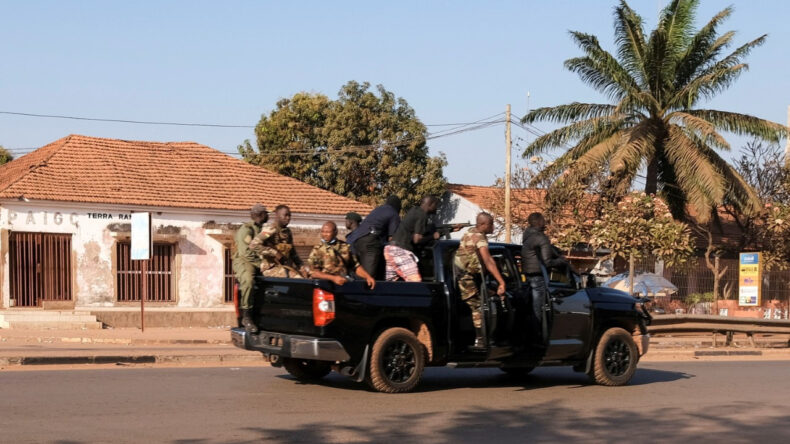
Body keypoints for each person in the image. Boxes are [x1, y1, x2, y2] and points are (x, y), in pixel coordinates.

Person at [454, 212, 507, 348]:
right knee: (477, 307)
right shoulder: (479, 238)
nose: (493, 227)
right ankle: (480, 339)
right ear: (483, 225)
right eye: (491, 224)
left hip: (466, 276)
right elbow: (488, 261)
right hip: (466, 277)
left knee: (486, 297)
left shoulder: (470, 232)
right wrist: (502, 282)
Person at [521, 212, 568, 344]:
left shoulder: (527, 236)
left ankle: (530, 337)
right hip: (538, 278)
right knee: (538, 309)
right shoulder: (541, 238)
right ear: (539, 222)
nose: (545, 222)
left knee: (530, 308)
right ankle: (537, 338)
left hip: (527, 277)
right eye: (543, 220)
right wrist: (562, 261)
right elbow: (547, 262)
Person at [384, 195, 441, 282]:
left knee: (391, 284)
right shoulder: (422, 215)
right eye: (436, 205)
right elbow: (416, 240)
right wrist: (433, 236)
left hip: (390, 249)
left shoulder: (414, 210)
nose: (437, 208)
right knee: (415, 282)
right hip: (400, 251)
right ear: (431, 205)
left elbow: (412, 231)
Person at [345, 195, 401, 279]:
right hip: (370, 243)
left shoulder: (378, 209)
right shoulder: (394, 213)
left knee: (362, 271)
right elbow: (392, 239)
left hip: (358, 241)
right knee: (369, 277)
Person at [307, 221, 376, 289]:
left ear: (335, 232)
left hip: (344, 285)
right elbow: (313, 273)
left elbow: (355, 266)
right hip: (326, 286)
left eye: (327, 232)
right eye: (323, 232)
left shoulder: (344, 247)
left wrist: (367, 277)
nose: (324, 234)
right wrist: (333, 278)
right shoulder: (317, 250)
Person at [233, 203, 268, 334]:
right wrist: (261, 265)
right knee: (248, 281)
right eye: (266, 213)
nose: (268, 216)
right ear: (260, 215)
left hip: (258, 260)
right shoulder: (246, 229)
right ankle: (246, 315)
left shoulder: (262, 229)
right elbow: (245, 253)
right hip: (244, 261)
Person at [249, 205, 307, 279]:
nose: (288, 218)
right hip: (271, 268)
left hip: (285, 267)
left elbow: (293, 252)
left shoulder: (287, 232)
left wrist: (302, 267)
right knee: (298, 279)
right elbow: (253, 245)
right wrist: (274, 253)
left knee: (307, 279)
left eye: (289, 215)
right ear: (277, 216)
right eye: (285, 215)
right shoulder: (270, 229)